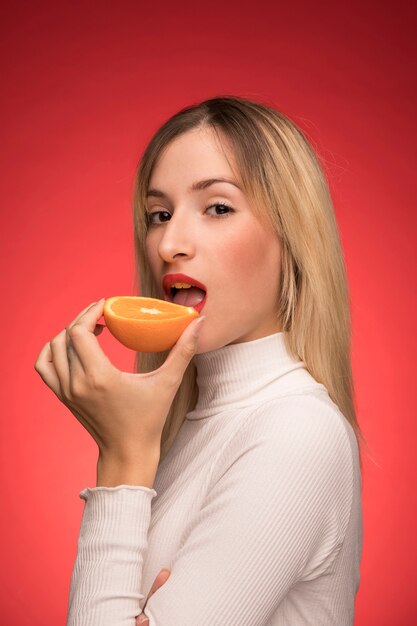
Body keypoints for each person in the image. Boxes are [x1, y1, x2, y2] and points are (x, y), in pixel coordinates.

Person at [34, 95, 364, 626]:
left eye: (218, 207)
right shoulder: (193, 427)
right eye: (158, 214)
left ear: (293, 238)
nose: (169, 243)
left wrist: (123, 457)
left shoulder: (295, 431)